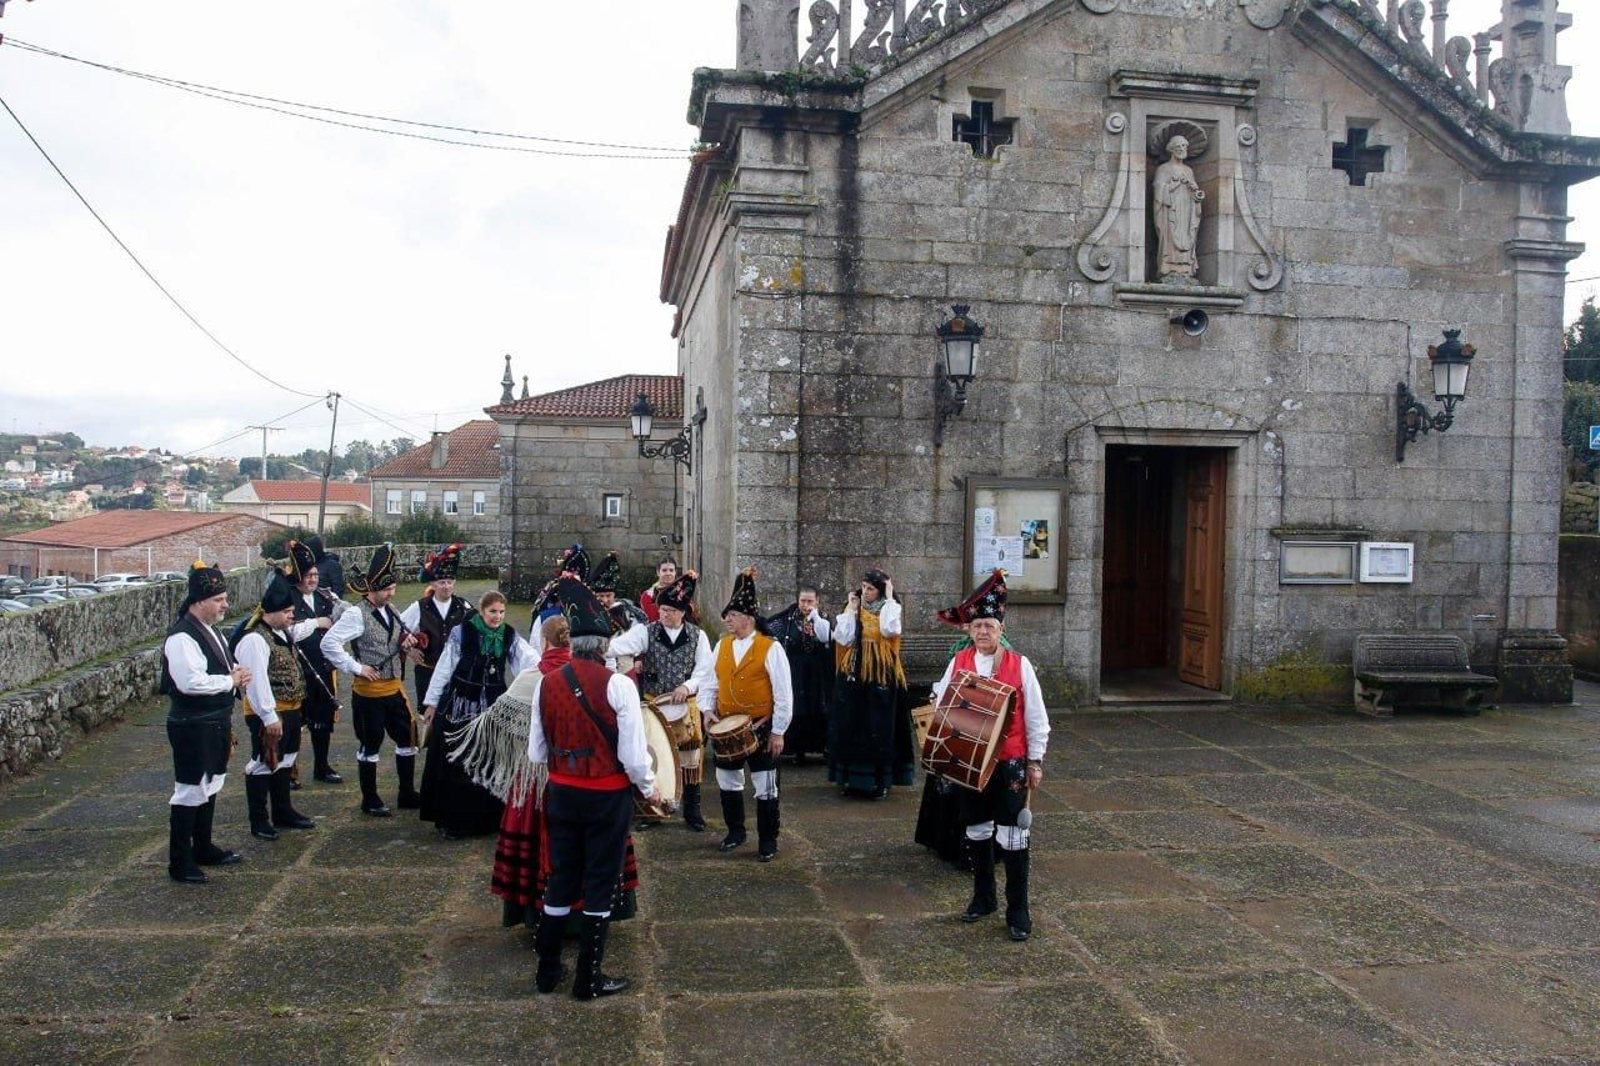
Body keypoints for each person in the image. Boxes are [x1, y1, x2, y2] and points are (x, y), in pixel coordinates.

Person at [528, 578, 660, 1000]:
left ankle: (547, 972)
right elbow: (635, 757)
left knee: (561, 878)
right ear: (603, 646)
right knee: (601, 881)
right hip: (606, 797)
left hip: (561, 793)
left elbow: (535, 753)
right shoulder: (619, 685)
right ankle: (588, 978)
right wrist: (651, 789)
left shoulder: (545, 683)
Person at [933, 569, 1050, 942]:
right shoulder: (959, 663)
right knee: (977, 830)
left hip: (1011, 761)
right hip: (969, 764)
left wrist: (1035, 761)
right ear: (970, 630)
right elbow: (943, 708)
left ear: (1001, 630)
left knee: (1014, 835)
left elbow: (1036, 717)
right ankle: (983, 898)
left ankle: (1018, 910)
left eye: (990, 626)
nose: (984, 632)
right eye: (978, 625)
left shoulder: (1021, 665)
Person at [159, 560, 250, 884]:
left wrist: (237, 671)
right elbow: (190, 683)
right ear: (199, 601)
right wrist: (230, 681)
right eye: (219, 600)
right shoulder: (181, 638)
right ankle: (180, 861)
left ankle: (203, 847)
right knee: (189, 789)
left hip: (213, 721)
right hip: (192, 724)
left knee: (211, 783)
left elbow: (223, 663)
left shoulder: (209, 629)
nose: (226, 604)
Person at [420, 590, 534, 839]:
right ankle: (454, 820)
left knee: (491, 758)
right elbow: (444, 667)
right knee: (458, 761)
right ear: (482, 611)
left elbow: (529, 663)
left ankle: (488, 819)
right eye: (493, 611)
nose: (497, 617)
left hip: (493, 702)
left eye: (502, 612)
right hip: (461, 702)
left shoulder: (509, 636)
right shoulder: (463, 632)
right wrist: (431, 702)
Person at [321, 543, 422, 816]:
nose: (391, 594)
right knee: (371, 744)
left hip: (394, 689)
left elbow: (396, 635)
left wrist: (406, 640)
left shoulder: (391, 610)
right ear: (371, 589)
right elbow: (329, 644)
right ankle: (370, 799)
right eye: (386, 590)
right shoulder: (356, 614)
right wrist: (355, 667)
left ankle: (406, 792)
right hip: (368, 694)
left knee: (407, 740)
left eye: (392, 589)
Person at [700, 567, 793, 861]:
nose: (726, 620)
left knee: (765, 783)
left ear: (748, 619)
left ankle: (768, 841)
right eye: (727, 616)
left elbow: (783, 692)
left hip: (761, 727)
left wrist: (778, 730)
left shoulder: (770, 647)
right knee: (728, 781)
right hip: (726, 727)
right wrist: (705, 710)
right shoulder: (723, 645)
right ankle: (735, 832)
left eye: (732, 615)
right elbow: (709, 682)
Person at [231, 579, 328, 840]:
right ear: (269, 613)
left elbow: (301, 630)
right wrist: (268, 715)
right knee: (264, 761)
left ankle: (283, 811)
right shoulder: (255, 640)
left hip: (291, 708)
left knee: (286, 758)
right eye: (286, 613)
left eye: (291, 612)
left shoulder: (283, 632)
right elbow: (257, 680)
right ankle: (259, 819)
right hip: (269, 712)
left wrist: (322, 621)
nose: (290, 617)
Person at [633, 569, 713, 831]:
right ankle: (652, 811)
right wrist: (635, 658)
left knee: (690, 761)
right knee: (654, 758)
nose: (665, 615)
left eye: (670, 611)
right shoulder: (647, 631)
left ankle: (692, 812)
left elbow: (705, 669)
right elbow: (624, 647)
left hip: (684, 706)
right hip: (654, 704)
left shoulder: (698, 636)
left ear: (683, 612)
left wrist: (687, 686)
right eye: (663, 610)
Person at [829, 568, 916, 798]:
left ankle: (881, 781)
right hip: (855, 673)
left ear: (880, 591)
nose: (866, 592)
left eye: (871, 588)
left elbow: (889, 630)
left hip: (880, 673)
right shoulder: (854, 610)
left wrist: (889, 597)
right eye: (864, 587)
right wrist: (850, 608)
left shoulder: (890, 610)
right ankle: (851, 779)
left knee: (879, 727)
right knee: (852, 724)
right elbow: (842, 637)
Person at [282, 539, 346, 785]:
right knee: (295, 723)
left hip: (323, 667)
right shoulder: (288, 598)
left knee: (323, 722)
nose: (313, 580)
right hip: (297, 670)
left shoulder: (323, 597)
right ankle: (289, 772)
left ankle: (322, 766)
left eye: (316, 575)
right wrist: (316, 622)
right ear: (298, 576)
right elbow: (288, 632)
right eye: (308, 575)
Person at [763, 584, 833, 764]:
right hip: (795, 671)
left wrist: (815, 617)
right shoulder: (787, 619)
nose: (806, 605)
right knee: (797, 708)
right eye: (803, 601)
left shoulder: (824, 618)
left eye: (810, 601)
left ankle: (821, 748)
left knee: (818, 708)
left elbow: (828, 639)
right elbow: (769, 629)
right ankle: (796, 750)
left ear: (817, 601)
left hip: (817, 672)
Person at [401, 543, 474, 713]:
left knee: (455, 715)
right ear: (433, 584)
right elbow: (397, 628)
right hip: (427, 673)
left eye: (450, 582)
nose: (446, 586)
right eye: (442, 582)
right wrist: (409, 649)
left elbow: (478, 633)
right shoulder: (419, 607)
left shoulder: (464, 607)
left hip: (456, 675)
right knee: (428, 719)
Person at [1153, 134, 1204, 283]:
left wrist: (1197, 194)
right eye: (1179, 146)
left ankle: (1187, 268)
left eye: (1184, 146)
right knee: (1169, 236)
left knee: (1188, 234)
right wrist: (1173, 186)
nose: (1182, 149)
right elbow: (1158, 192)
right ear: (1172, 149)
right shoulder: (1163, 169)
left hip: (1187, 210)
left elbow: (1194, 192)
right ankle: (1168, 267)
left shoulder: (1188, 170)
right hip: (1170, 209)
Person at [637, 556, 678, 623]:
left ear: (675, 572)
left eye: (671, 570)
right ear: (658, 572)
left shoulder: (682, 592)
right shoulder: (648, 596)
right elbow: (654, 619)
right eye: (664, 570)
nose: (668, 573)